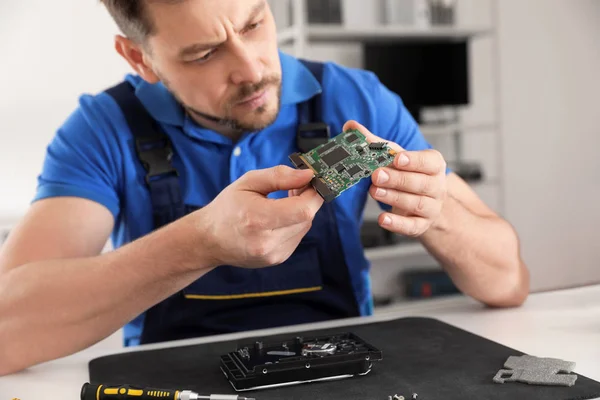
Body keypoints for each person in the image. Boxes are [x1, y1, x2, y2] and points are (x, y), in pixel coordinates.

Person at [0, 0, 529, 376]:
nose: (252, 69)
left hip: (344, 372)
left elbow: (509, 283)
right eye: (204, 53)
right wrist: (198, 242)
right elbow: (7, 331)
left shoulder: (357, 100)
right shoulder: (101, 129)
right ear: (140, 59)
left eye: (254, 22)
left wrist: (437, 213)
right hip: (172, 382)